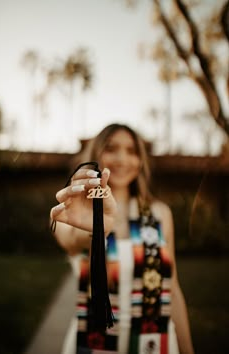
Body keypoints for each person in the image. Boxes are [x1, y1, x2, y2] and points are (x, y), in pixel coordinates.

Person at [50, 123, 195, 354]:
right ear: (96, 154)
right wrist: (95, 228)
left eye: (132, 151)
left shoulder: (160, 214)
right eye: (111, 148)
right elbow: (71, 240)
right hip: (93, 344)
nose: (122, 159)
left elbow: (172, 290)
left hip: (156, 343)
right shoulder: (73, 213)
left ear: (141, 160)